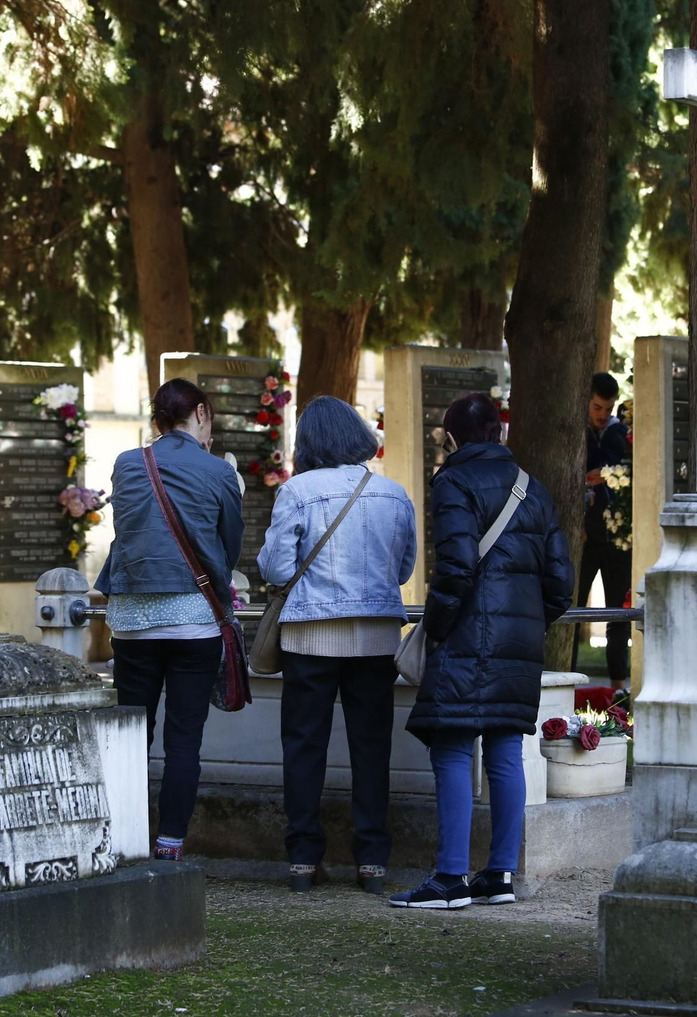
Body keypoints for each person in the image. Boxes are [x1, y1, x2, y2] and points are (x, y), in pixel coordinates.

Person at [392, 393, 573, 910]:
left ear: (451, 437)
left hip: (465, 636)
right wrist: (525, 624)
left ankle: (450, 879)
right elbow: (560, 585)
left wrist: (441, 627)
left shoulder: (454, 482)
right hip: (518, 644)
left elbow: (456, 567)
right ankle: (499, 876)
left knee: (450, 746)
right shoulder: (532, 490)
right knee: (504, 751)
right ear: (499, 433)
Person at [258, 396, 416, 895]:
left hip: (310, 636)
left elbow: (277, 569)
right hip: (375, 637)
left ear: (308, 443)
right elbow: (405, 568)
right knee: (371, 749)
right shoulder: (394, 493)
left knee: (304, 747)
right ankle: (372, 860)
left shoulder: (297, 492)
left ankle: (303, 859)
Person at [95, 379, 244, 862]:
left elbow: (130, 529)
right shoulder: (218, 471)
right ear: (200, 413)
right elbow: (230, 545)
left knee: (132, 731)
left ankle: (126, 836)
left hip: (133, 620)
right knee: (185, 738)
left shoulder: (126, 463)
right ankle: (170, 842)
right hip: (194, 621)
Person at [574, 372, 632, 689]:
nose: (601, 415)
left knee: (618, 615)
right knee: (569, 611)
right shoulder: (575, 431)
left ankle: (618, 687)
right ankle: (561, 679)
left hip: (617, 539)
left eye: (606, 409)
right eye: (596, 407)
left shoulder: (620, 434)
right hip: (583, 538)